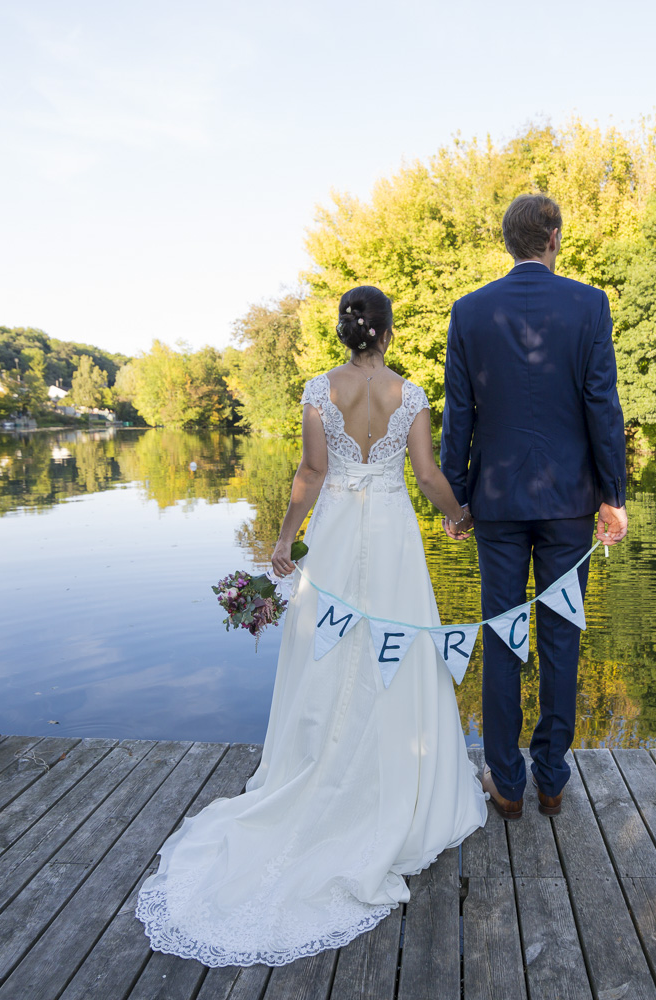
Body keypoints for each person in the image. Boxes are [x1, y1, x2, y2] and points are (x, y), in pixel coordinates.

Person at [136, 285, 485, 967]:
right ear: (386, 331)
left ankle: (312, 763)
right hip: (388, 536)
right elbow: (426, 475)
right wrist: (461, 514)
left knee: (328, 650)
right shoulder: (409, 396)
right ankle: (395, 780)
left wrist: (285, 540)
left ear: (343, 331)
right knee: (396, 645)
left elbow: (312, 471)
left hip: (332, 536)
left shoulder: (317, 390)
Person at [440, 193, 629, 820]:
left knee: (502, 637)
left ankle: (507, 782)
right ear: (552, 237)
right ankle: (552, 777)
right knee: (560, 637)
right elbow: (602, 406)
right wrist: (613, 496)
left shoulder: (468, 312)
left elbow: (459, 414)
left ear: (508, 241)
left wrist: (455, 496)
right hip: (569, 502)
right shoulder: (588, 303)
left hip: (495, 503)